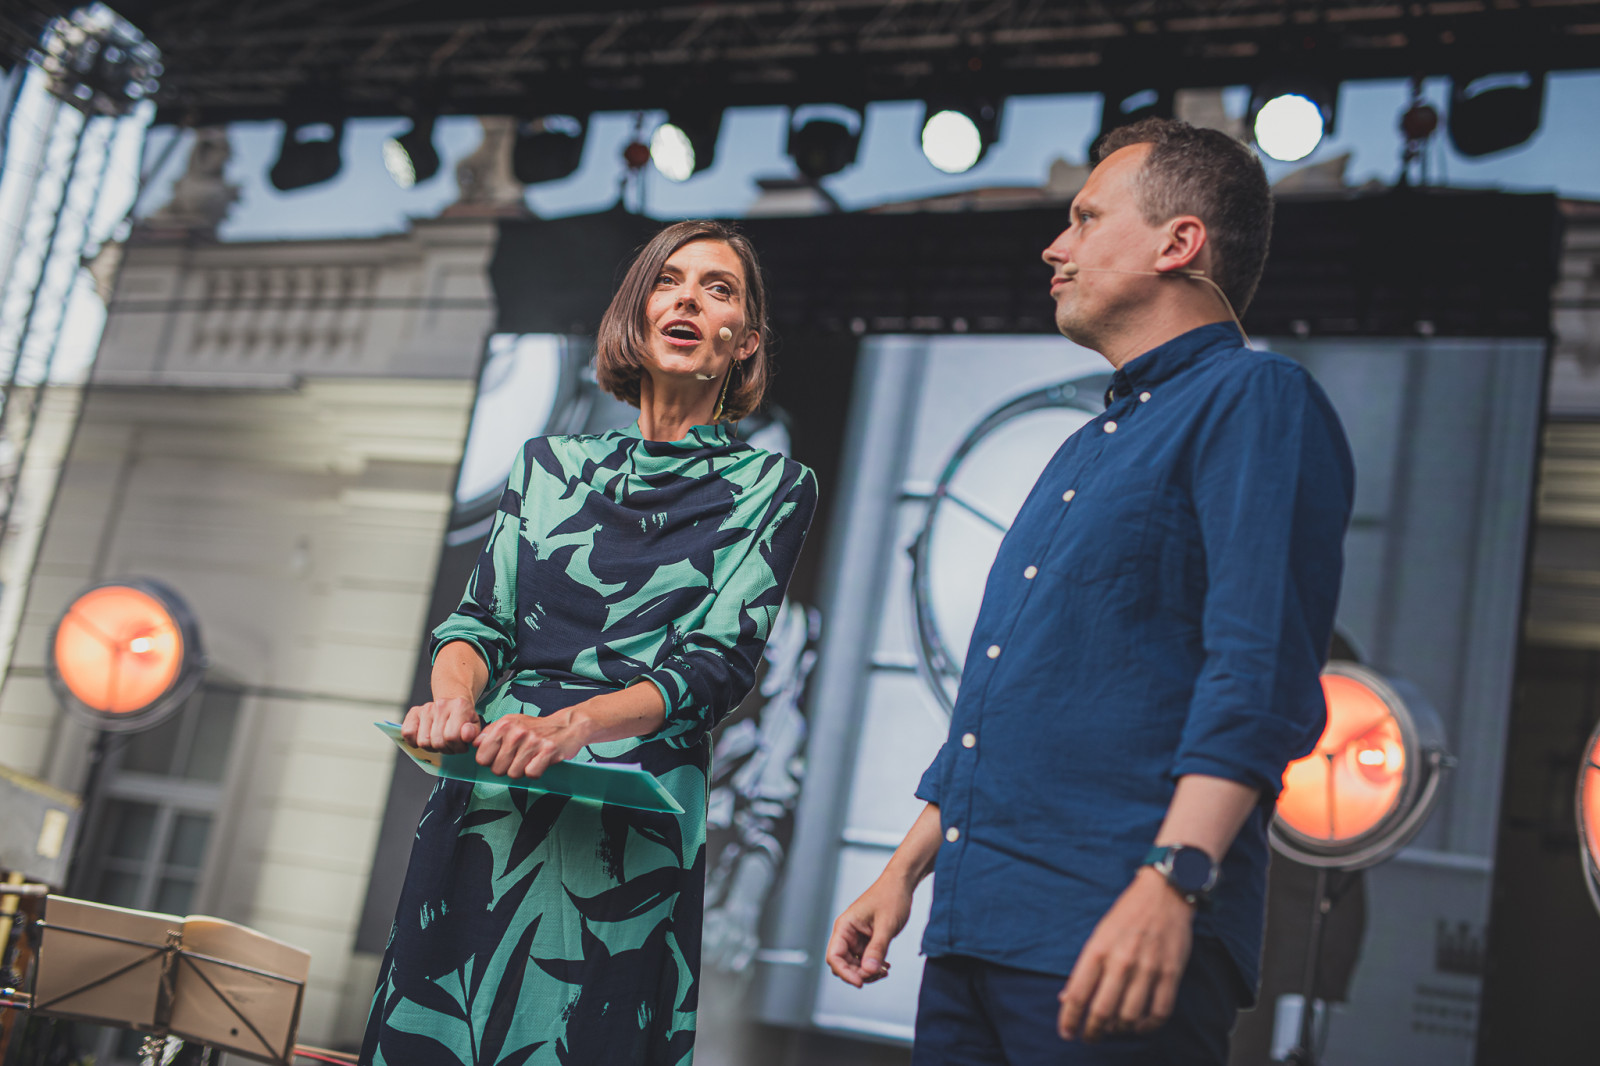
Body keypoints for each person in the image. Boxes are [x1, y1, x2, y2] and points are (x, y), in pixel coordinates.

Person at [825, 118, 1354, 1064]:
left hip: (1114, 925)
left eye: (1085, 217)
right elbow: (1014, 695)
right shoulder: (1084, 445)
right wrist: (904, 869)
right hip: (972, 930)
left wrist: (1173, 881)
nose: (1054, 246)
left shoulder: (1256, 398)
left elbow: (1260, 671)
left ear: (1178, 243)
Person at [361, 220, 817, 1066]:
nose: (688, 299)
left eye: (718, 288)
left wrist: (572, 726)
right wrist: (452, 703)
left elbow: (714, 670)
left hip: (628, 828)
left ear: (745, 342)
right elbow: (478, 624)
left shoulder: (773, 485)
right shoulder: (546, 465)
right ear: (636, 316)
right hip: (494, 794)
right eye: (668, 281)